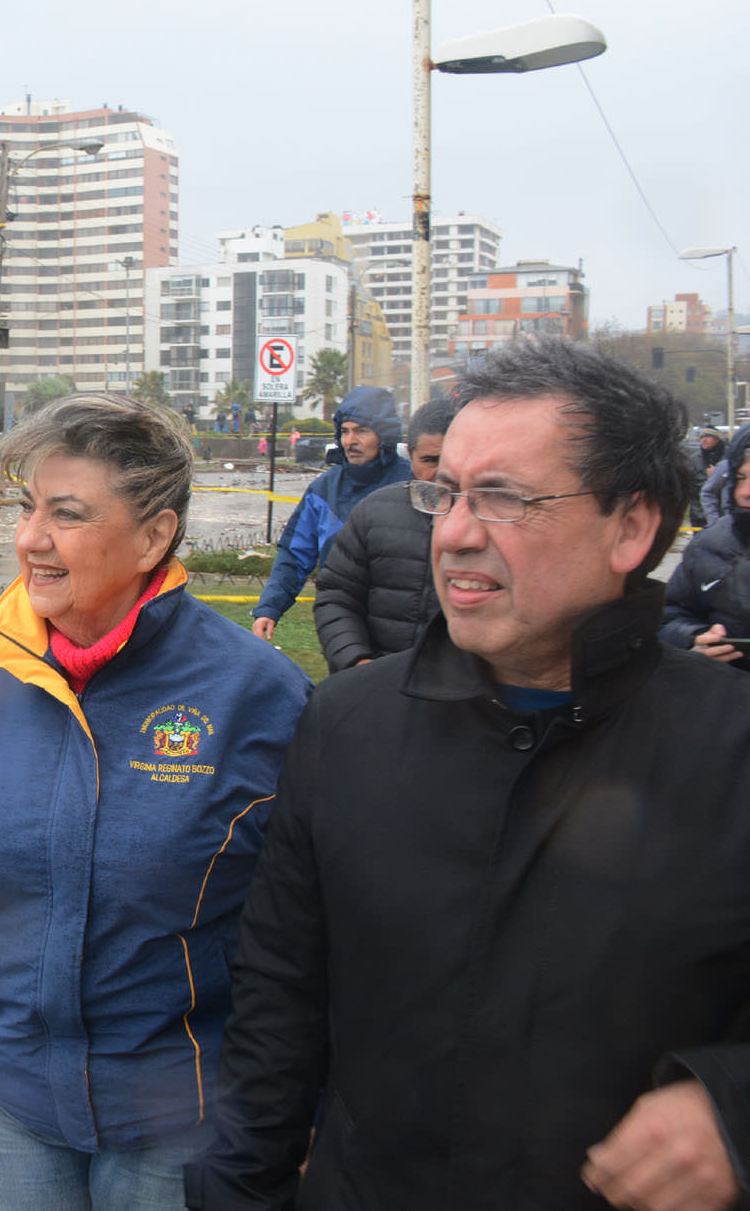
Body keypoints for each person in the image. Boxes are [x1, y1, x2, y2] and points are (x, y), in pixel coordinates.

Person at [191, 338, 750, 1211]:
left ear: (631, 527)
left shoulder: (731, 749)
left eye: (501, 499)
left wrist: (730, 1106)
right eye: (444, 493)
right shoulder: (344, 727)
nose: (450, 532)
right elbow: (277, 1010)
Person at [0, 393, 311, 1211]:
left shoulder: (258, 697)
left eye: (67, 514)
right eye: (27, 508)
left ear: (154, 535)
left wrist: (304, 1098)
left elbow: (316, 924)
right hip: (8, 1102)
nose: (30, 539)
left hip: (183, 1113)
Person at [249, 387, 410, 641]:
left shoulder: (412, 484)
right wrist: (270, 607)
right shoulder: (323, 489)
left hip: (403, 623)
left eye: (361, 431)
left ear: (384, 435)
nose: (350, 441)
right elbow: (294, 554)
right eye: (345, 431)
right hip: (342, 620)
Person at [310, 396, 456, 672]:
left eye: (450, 459)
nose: (441, 472)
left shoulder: (492, 523)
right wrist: (356, 662)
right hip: (375, 686)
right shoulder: (373, 513)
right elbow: (336, 596)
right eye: (430, 460)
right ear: (410, 457)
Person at [661, 422, 750, 671]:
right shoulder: (707, 547)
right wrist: (693, 639)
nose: (745, 492)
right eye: (740, 478)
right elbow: (669, 617)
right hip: (727, 699)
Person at [688, 426, 726, 529]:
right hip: (699, 516)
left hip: (724, 515)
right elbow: (690, 486)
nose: (704, 440)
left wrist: (717, 475)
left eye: (708, 437)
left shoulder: (727, 458)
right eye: (702, 437)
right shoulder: (694, 459)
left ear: (717, 439)